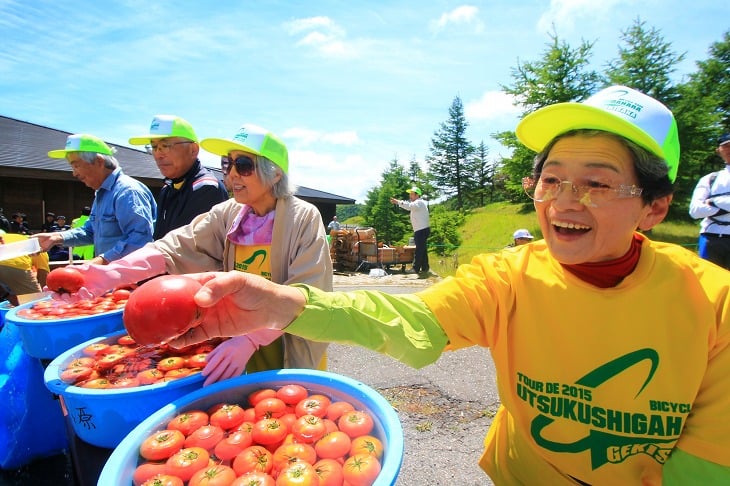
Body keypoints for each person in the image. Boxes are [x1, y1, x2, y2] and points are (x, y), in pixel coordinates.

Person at [168, 86, 730, 484]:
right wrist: (280, 303)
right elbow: (414, 323)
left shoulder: (714, 301)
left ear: (655, 208)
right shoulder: (508, 276)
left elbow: (709, 460)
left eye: (597, 184)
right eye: (552, 179)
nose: (563, 201)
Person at [57, 124, 332, 386]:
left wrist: (251, 340)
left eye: (244, 165)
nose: (232, 174)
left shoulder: (302, 217)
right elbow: (175, 246)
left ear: (275, 173)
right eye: (227, 164)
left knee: (294, 402)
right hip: (239, 333)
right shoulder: (229, 213)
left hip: (287, 337)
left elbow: (306, 292)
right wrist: (113, 273)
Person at [34, 134, 156, 265]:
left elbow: (139, 239)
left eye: (76, 166)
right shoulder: (102, 193)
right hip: (112, 276)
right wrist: (56, 237)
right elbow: (90, 231)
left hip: (131, 280)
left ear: (99, 161)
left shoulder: (127, 192)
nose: (74, 173)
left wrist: (100, 261)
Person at [128, 115, 229, 239]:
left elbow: (187, 249)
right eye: (154, 147)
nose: (158, 154)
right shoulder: (168, 189)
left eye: (165, 146)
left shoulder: (207, 189)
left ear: (193, 150)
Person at [688, 133, 730, 269]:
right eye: (726, 146)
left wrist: (712, 202)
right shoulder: (710, 179)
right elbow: (695, 211)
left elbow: (704, 207)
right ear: (718, 150)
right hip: (711, 238)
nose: (729, 149)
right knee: (709, 284)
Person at [390, 186, 430, 274]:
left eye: (412, 194)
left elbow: (409, 206)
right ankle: (425, 267)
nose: (410, 196)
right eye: (410, 194)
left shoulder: (418, 202)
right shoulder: (419, 203)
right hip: (421, 230)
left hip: (421, 230)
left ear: (417, 195)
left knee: (419, 250)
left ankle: (415, 269)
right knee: (422, 249)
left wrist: (398, 202)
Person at [0, 231, 45, 305]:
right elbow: (43, 274)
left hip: (9, 264)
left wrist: (7, 295)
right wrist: (45, 297)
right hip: (14, 265)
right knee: (36, 303)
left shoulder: (13, 237)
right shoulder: (40, 247)